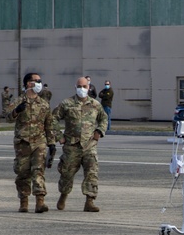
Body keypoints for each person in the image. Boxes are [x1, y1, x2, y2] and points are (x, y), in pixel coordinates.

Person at [52, 76, 108, 211]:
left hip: (89, 145)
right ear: (75, 87)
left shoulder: (95, 104)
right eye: (79, 86)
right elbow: (53, 119)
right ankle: (63, 196)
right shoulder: (67, 103)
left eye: (84, 86)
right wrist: (59, 136)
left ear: (89, 88)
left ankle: (89, 201)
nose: (81, 89)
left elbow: (104, 119)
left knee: (92, 172)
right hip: (72, 146)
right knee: (67, 173)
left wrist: (99, 131)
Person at [6, 72, 56, 213]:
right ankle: (24, 201)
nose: (39, 83)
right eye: (37, 80)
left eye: (40, 80)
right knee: (22, 172)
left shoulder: (44, 104)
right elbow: (7, 118)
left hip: (39, 142)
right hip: (23, 143)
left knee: (38, 171)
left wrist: (51, 143)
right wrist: (16, 111)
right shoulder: (18, 101)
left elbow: (49, 125)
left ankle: (40, 202)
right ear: (29, 83)